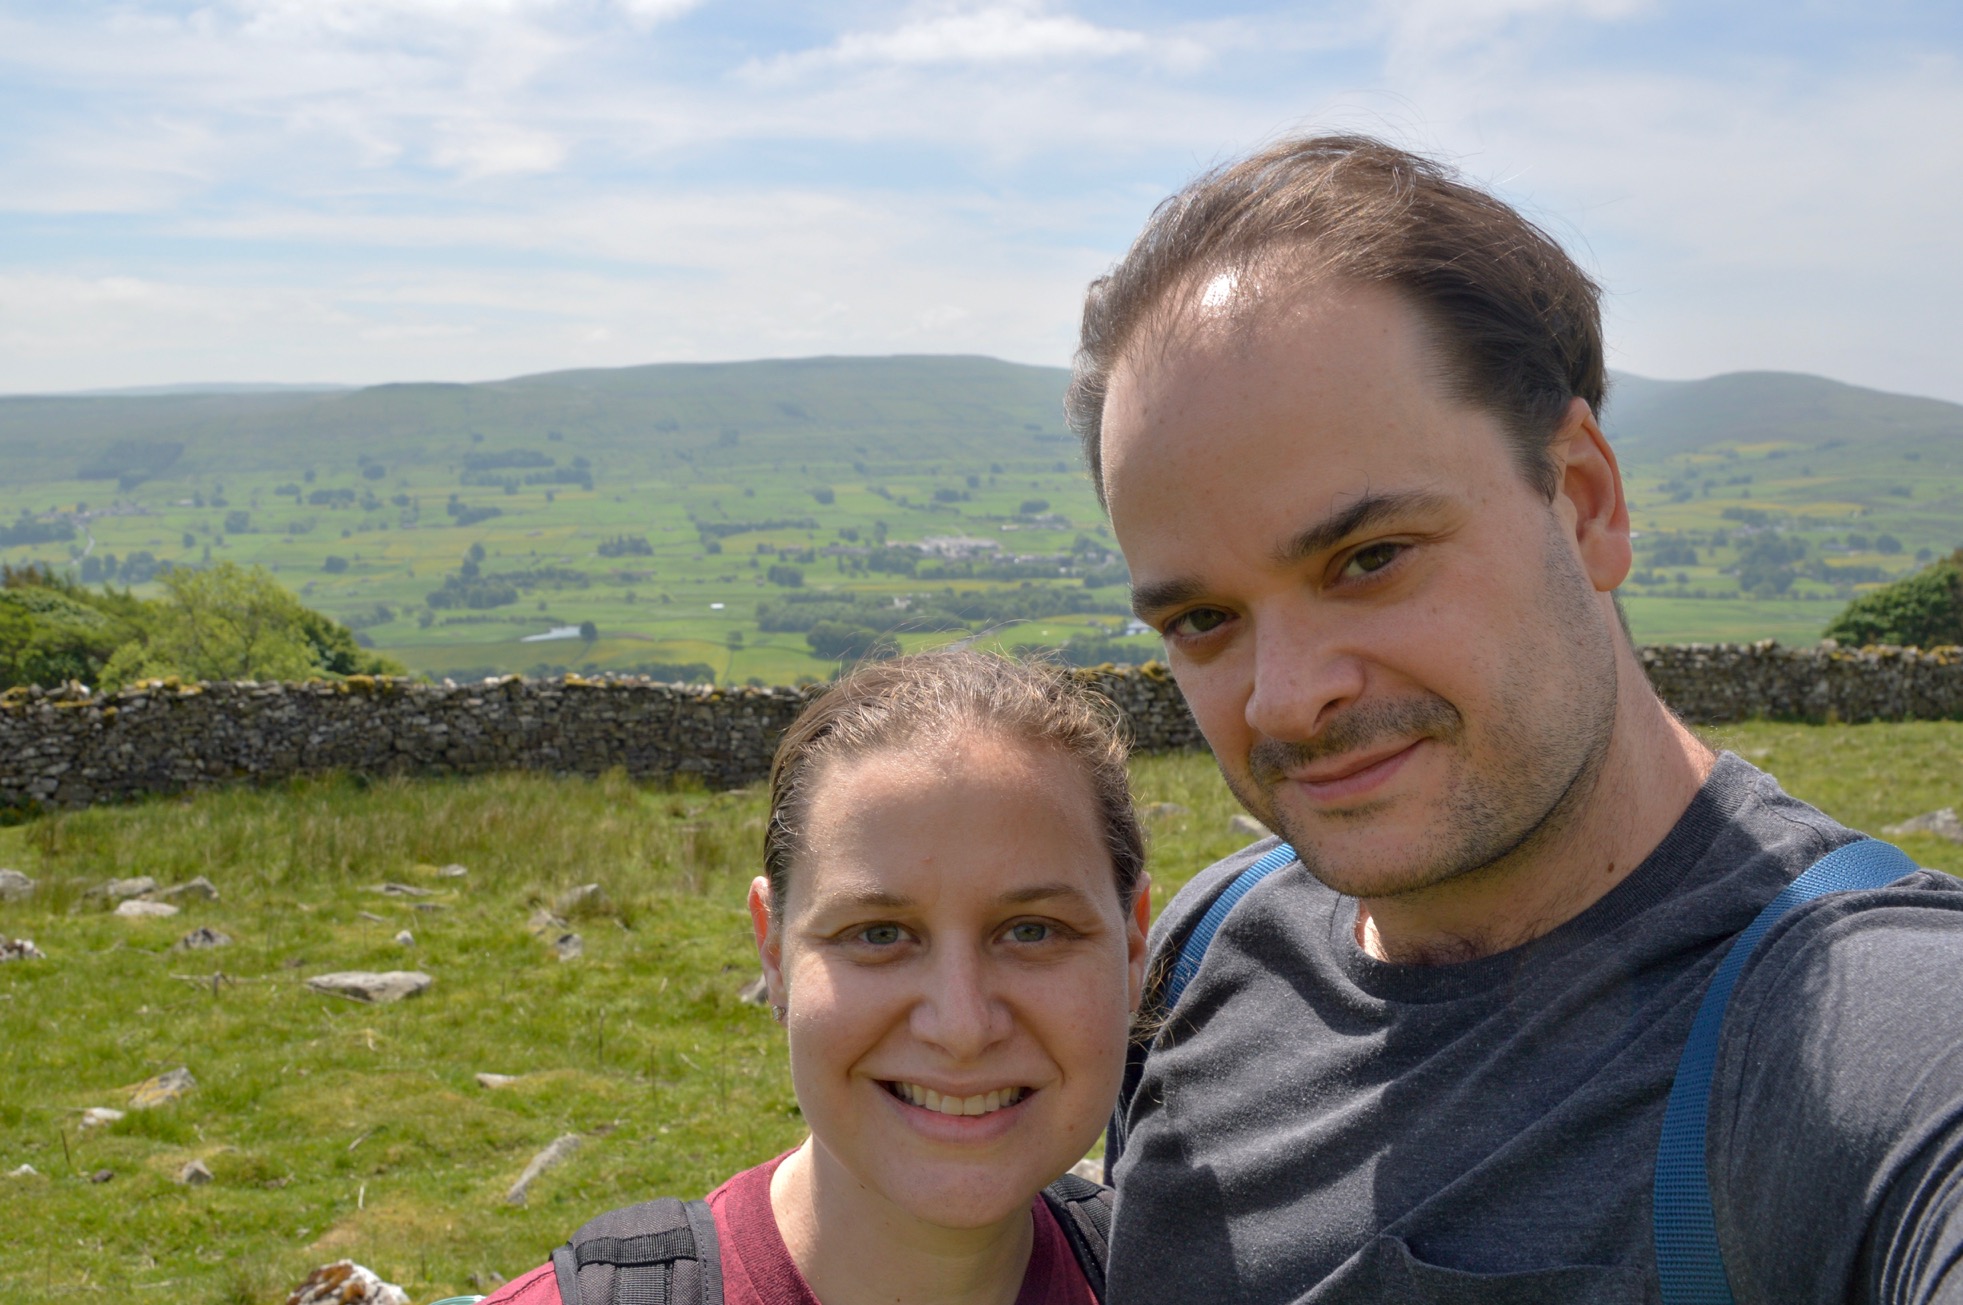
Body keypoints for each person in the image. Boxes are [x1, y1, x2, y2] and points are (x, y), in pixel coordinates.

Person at [1069, 135, 1963, 1303]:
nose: (1285, 697)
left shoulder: (1874, 1040)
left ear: (1583, 499)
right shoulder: (1205, 956)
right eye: (1200, 620)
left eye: (1369, 557)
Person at [478, 650, 1150, 1305]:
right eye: (878, 934)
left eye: (1032, 930)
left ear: (1131, 945)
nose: (961, 1027)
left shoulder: (1182, 1271)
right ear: (772, 950)